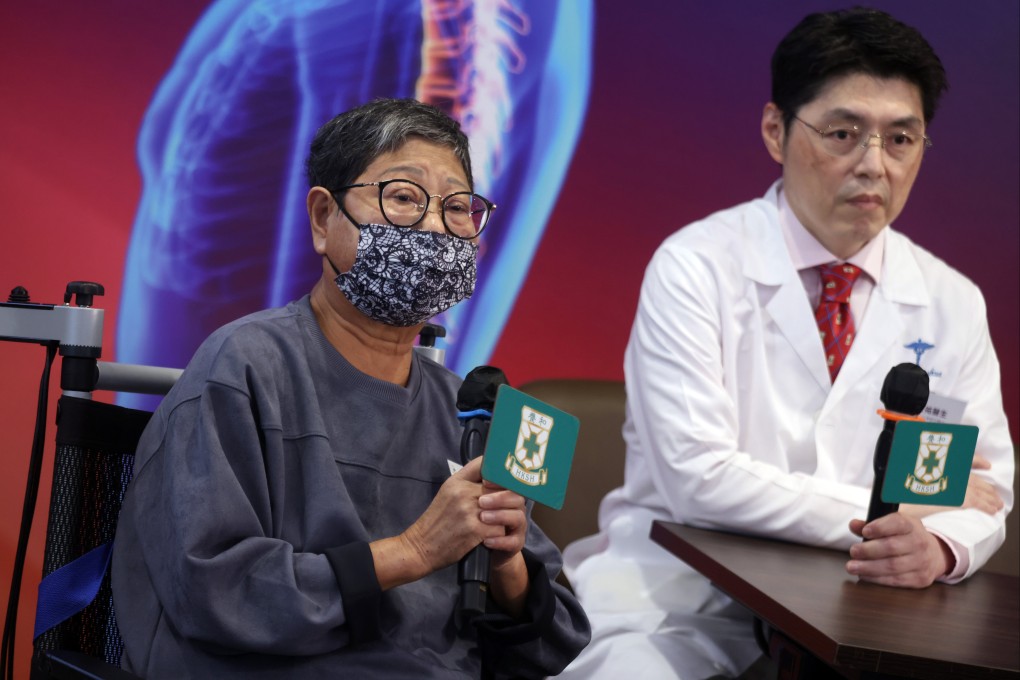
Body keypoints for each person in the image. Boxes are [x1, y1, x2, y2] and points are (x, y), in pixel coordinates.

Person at [558, 8, 1014, 680]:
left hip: (863, 608)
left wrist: (940, 547)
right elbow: (699, 481)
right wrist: (887, 513)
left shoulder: (952, 300)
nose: (873, 165)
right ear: (775, 130)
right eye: (842, 133)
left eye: (901, 140)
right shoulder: (696, 265)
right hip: (680, 598)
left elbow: (988, 490)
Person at [111, 98, 590, 679]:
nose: (436, 227)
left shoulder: (466, 410)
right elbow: (213, 592)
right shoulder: (245, 367)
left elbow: (557, 643)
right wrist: (413, 552)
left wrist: (507, 564)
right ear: (323, 217)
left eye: (457, 206)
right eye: (405, 197)